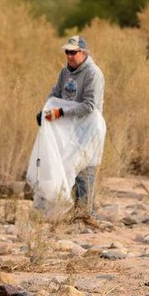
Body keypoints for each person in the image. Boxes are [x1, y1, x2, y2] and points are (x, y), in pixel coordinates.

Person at [41, 35, 105, 218]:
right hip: (69, 128)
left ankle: (85, 213)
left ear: (83, 52)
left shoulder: (93, 73)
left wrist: (60, 113)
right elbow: (55, 94)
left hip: (90, 127)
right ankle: (71, 209)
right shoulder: (65, 72)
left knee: (85, 168)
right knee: (66, 166)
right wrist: (46, 110)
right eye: (67, 52)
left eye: (73, 52)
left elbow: (89, 105)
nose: (69, 56)